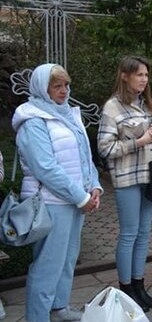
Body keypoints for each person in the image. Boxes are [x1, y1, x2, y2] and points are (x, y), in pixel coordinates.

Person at [13, 64, 103, 322]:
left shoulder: (67, 115)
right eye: (57, 86)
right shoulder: (33, 120)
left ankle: (59, 309)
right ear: (43, 88)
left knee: (66, 260)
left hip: (73, 202)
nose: (64, 91)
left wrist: (94, 185)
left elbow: (85, 156)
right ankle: (38, 317)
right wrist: (82, 197)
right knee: (47, 265)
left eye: (66, 85)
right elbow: (45, 167)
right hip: (51, 204)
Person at [98, 56, 152, 312]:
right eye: (139, 75)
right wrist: (138, 141)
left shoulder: (146, 105)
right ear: (125, 76)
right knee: (129, 234)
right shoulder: (112, 107)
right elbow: (104, 148)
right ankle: (125, 289)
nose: (144, 79)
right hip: (127, 178)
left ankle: (139, 285)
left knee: (144, 233)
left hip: (149, 177)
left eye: (146, 75)